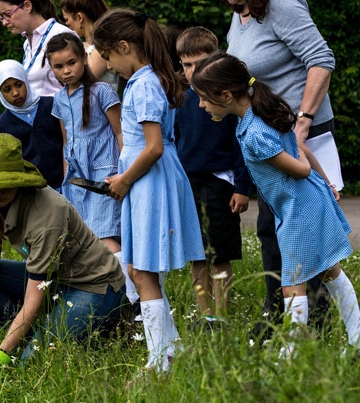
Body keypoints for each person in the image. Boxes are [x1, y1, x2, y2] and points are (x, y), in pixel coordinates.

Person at [191, 51, 360, 357]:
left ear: (225, 95)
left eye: (204, 98)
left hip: (298, 209)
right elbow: (301, 149)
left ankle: (288, 359)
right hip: (306, 201)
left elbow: (300, 165)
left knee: (293, 285)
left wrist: (310, 167)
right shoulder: (264, 112)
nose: (201, 105)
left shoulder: (255, 133)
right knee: (330, 271)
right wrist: (326, 182)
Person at [0, 133, 126, 375]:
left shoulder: (47, 215)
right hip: (52, 281)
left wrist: (2, 352)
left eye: (4, 183)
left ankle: (54, 332)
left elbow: (34, 298)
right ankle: (34, 331)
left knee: (29, 367)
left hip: (93, 286)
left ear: (18, 179)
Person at [93, 9, 206, 373]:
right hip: (150, 179)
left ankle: (159, 361)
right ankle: (172, 348)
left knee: (142, 272)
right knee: (137, 268)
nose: (110, 65)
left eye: (108, 57)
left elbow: (153, 146)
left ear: (124, 47)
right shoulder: (154, 78)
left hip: (149, 181)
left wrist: (124, 179)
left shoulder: (141, 84)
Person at [223, 0, 339, 339]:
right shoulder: (239, 14)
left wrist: (303, 121)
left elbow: (321, 60)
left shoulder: (283, 6)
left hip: (298, 133)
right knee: (272, 226)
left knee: (300, 224)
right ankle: (280, 309)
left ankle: (310, 318)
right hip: (268, 135)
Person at [45, 32, 140, 316]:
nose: (66, 71)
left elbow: (120, 131)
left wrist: (125, 174)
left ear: (84, 59)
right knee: (86, 240)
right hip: (76, 182)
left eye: (71, 63)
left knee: (108, 239)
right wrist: (65, 182)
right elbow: (66, 143)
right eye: (58, 67)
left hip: (104, 176)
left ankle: (132, 301)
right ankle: (106, 299)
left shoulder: (103, 91)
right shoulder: (59, 100)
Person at [174, 27, 250, 329]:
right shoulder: (180, 99)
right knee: (196, 254)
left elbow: (241, 144)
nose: (193, 72)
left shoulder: (226, 100)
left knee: (219, 255)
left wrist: (242, 187)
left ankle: (222, 317)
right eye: (187, 65)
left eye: (200, 63)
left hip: (221, 182)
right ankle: (205, 316)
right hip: (188, 183)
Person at [0, 59, 64, 189]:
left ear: (26, 81)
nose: (15, 92)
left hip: (63, 183)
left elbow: (66, 141)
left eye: (18, 85)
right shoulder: (4, 123)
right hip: (31, 190)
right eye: (7, 89)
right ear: (0, 93)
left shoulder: (51, 105)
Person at [0, 0, 78, 96]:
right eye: (2, 17)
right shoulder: (27, 43)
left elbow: (78, 87)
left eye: (7, 14)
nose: (4, 22)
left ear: (27, 6)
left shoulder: (61, 35)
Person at [58, 0, 118, 89]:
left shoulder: (100, 47)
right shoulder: (86, 45)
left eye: (67, 19)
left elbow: (81, 83)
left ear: (79, 17)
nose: (67, 24)